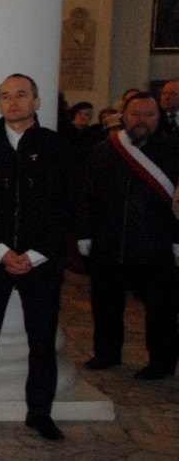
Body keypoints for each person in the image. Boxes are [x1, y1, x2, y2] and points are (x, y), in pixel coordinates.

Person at [0, 73, 68, 442]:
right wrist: (2, 252)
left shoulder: (55, 146)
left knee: (42, 342)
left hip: (41, 263)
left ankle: (40, 413)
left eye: (21, 94)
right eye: (5, 96)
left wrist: (34, 255)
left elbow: (65, 206)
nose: (13, 101)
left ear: (36, 101)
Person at [78, 92, 179, 380]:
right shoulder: (103, 150)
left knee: (161, 308)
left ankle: (161, 362)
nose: (141, 120)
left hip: (154, 244)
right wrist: (85, 233)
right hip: (108, 241)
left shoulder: (173, 151)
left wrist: (177, 239)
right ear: (124, 116)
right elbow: (87, 195)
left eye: (149, 114)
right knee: (105, 303)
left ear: (159, 118)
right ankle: (106, 353)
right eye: (135, 114)